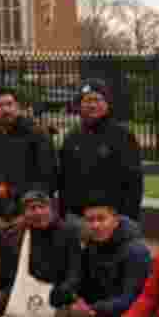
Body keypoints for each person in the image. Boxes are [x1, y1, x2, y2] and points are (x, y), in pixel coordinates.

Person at [49, 198, 150, 317]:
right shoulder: (90, 247)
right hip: (103, 313)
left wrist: (94, 309)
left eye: (101, 219)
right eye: (90, 220)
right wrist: (65, 290)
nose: (95, 225)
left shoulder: (136, 251)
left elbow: (133, 298)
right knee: (65, 313)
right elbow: (81, 285)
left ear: (115, 220)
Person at [0, 191, 82, 317]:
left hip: (60, 305)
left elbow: (76, 272)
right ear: (24, 213)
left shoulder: (68, 233)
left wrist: (65, 289)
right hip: (29, 306)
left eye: (42, 207)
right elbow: (8, 279)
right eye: (32, 209)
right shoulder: (15, 237)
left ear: (52, 209)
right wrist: (1, 301)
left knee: (75, 314)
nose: (38, 212)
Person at [59, 81, 143, 225]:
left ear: (107, 103)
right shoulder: (71, 138)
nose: (92, 105)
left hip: (114, 219)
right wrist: (65, 214)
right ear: (79, 105)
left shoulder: (122, 136)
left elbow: (134, 181)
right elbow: (63, 180)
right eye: (87, 100)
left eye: (97, 100)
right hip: (79, 219)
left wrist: (127, 218)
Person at [0, 87, 56, 229]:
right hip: (1, 219)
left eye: (9, 104)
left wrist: (28, 214)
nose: (5, 110)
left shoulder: (37, 135)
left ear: (17, 107)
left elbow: (47, 179)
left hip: (33, 218)